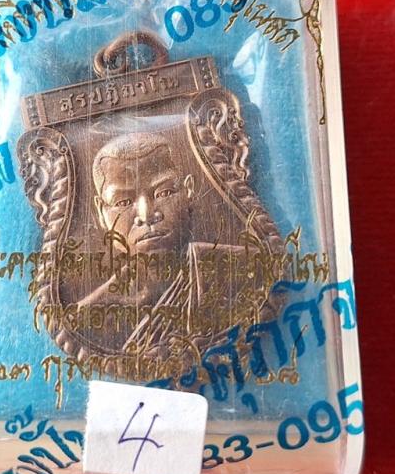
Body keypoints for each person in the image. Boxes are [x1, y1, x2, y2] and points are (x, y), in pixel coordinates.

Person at [72, 131, 265, 355]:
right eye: (123, 202)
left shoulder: (248, 268)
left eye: (164, 192)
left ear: (189, 191)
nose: (146, 215)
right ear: (101, 213)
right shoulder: (87, 317)